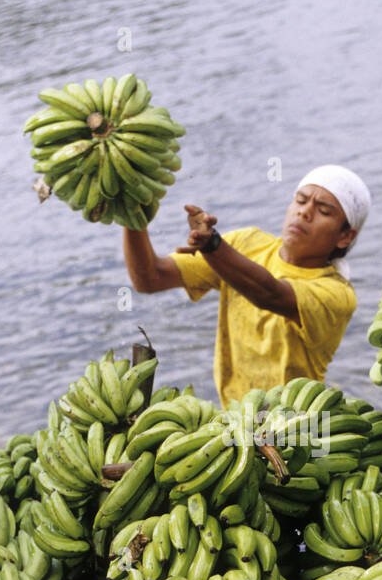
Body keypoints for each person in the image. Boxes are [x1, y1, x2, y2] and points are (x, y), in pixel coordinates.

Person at [121, 165, 369, 406]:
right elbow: (150, 278)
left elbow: (270, 293)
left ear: (345, 236)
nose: (305, 212)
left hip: (293, 424)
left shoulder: (337, 293)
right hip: (234, 419)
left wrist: (213, 248)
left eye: (324, 211)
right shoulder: (246, 245)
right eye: (301, 200)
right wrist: (133, 214)